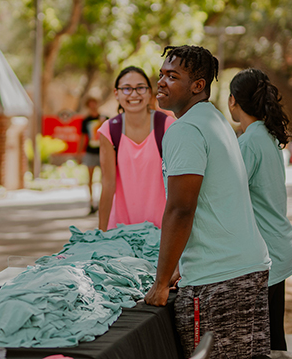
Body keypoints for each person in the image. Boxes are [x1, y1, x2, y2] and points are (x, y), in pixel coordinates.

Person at [145, 45, 271, 358]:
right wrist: (176, 266)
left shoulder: (186, 129)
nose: (161, 82)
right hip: (246, 269)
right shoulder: (213, 119)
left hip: (219, 282)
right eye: (161, 74)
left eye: (172, 76)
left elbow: (181, 209)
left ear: (198, 85)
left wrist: (161, 283)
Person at [228, 68, 292, 351]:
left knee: (259, 344)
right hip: (278, 247)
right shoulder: (265, 135)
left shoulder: (248, 143)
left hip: (264, 254)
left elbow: (229, 196)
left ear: (233, 101)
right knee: (273, 338)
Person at [96, 66, 174, 231]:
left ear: (149, 93)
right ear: (116, 93)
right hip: (121, 231)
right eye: (126, 89)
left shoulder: (167, 125)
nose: (133, 94)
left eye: (140, 88)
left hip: (162, 231)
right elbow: (108, 185)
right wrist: (100, 234)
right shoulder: (109, 130)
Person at [79, 97, 106, 214]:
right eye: (90, 104)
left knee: (104, 179)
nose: (92, 106)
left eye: (94, 103)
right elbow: (82, 137)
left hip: (103, 152)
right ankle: (91, 202)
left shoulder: (104, 119)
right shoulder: (86, 120)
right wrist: (79, 153)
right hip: (90, 152)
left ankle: (102, 203)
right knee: (90, 178)